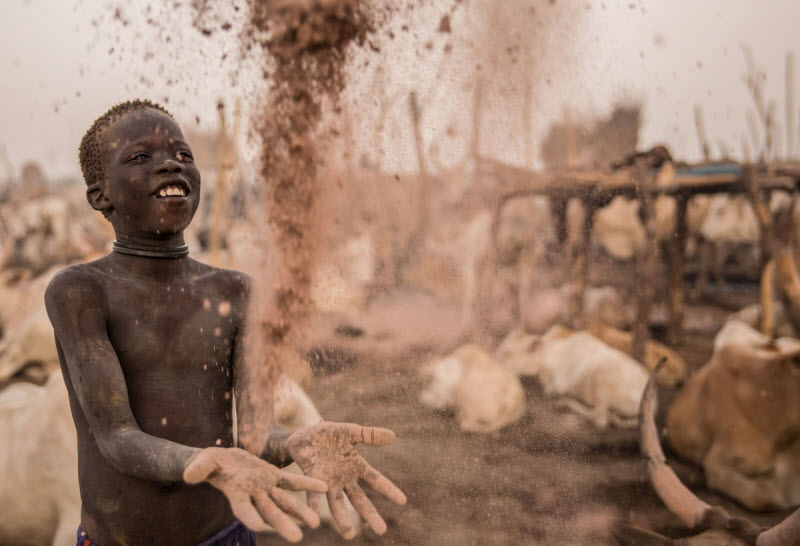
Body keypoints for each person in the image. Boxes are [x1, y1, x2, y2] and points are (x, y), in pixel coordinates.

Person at [45, 99, 406, 546]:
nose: (169, 166)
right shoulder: (81, 291)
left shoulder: (236, 292)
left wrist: (293, 443)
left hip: (224, 537)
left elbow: (255, 437)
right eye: (141, 158)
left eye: (183, 156)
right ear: (100, 194)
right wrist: (211, 461)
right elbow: (117, 437)